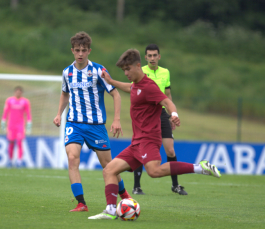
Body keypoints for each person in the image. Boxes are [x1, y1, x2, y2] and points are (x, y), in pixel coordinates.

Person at [88, 49, 221, 220]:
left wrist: (174, 115)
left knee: (153, 171)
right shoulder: (136, 84)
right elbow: (130, 88)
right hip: (136, 142)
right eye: (124, 71)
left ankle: (200, 167)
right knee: (109, 171)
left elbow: (167, 101)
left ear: (138, 66)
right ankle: (111, 210)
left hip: (149, 139)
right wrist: (111, 80)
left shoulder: (149, 86)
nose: (126, 73)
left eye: (128, 69)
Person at [53, 31, 131, 212]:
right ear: (72, 50)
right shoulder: (67, 72)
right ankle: (81, 203)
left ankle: (125, 195)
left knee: (108, 166)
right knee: (72, 159)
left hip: (96, 126)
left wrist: (117, 119)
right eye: (77, 50)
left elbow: (116, 94)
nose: (80, 53)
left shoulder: (98, 71)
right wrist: (59, 114)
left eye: (84, 50)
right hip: (74, 123)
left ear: (89, 51)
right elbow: (65, 94)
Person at [132, 44, 187, 196]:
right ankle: (136, 186)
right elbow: (133, 92)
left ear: (159, 56)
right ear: (145, 57)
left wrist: (171, 115)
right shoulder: (140, 71)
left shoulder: (165, 72)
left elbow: (167, 95)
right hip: (146, 115)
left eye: (155, 55)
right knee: (141, 149)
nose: (152, 58)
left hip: (162, 113)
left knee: (170, 149)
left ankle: (175, 185)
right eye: (149, 56)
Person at [1, 86, 32, 167]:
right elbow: (5, 111)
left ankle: (19, 161)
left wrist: (29, 124)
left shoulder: (25, 102)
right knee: (11, 143)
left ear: (21, 93)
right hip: (11, 125)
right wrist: (3, 121)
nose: (18, 93)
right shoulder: (9, 100)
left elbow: (28, 113)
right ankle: (10, 160)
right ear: (14, 92)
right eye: (17, 92)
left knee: (19, 142)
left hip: (20, 125)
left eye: (20, 92)